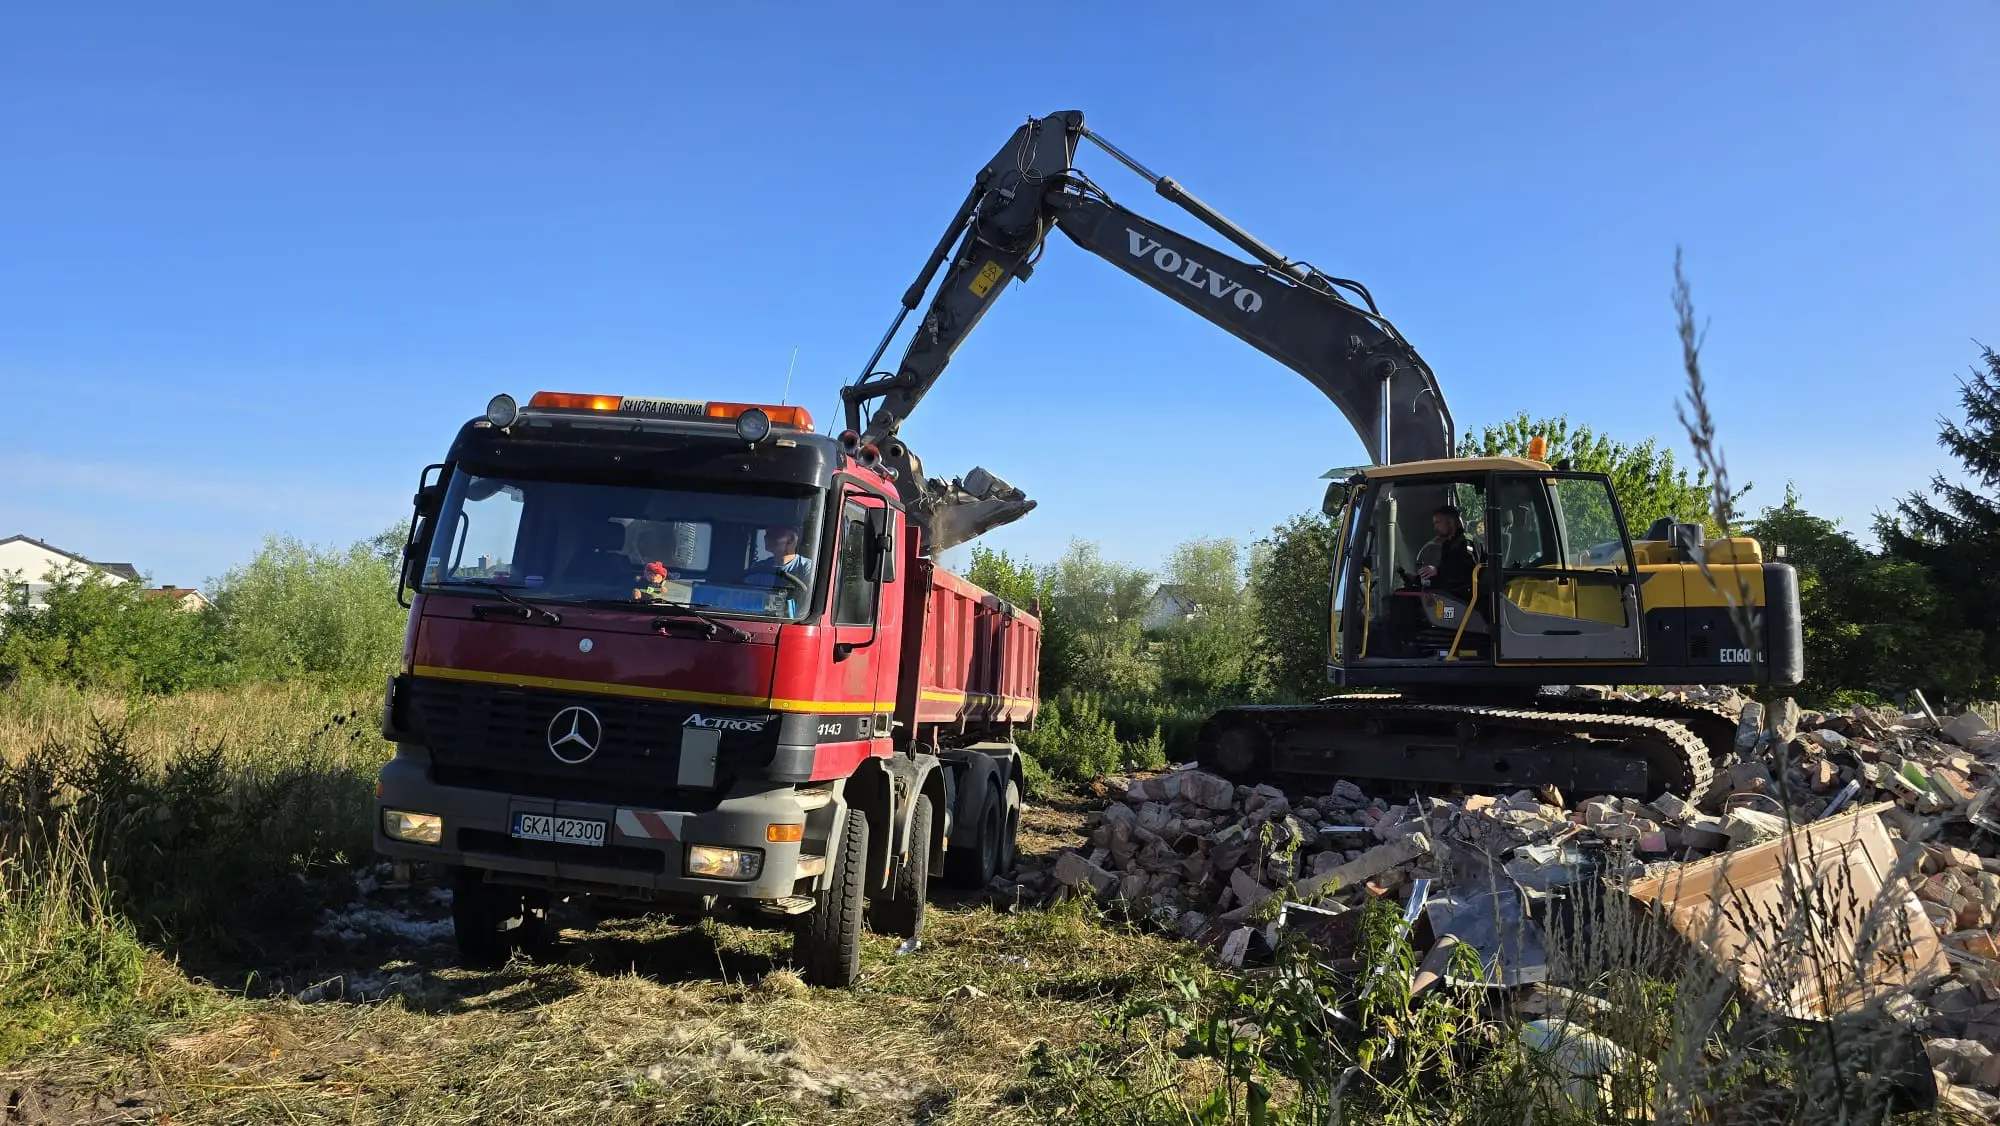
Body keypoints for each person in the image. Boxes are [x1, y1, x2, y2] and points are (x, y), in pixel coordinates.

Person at [1417, 505, 1478, 601]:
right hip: (1450, 594)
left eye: (1438, 522)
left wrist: (1438, 571)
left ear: (1451, 522)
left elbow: (1467, 572)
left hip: (1464, 598)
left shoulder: (1465, 542)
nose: (1435, 527)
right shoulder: (1448, 544)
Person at [747, 525, 813, 588]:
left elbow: (806, 597)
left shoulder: (808, 567)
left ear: (791, 538)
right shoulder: (759, 568)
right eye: (766, 533)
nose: (765, 537)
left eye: (772, 534)